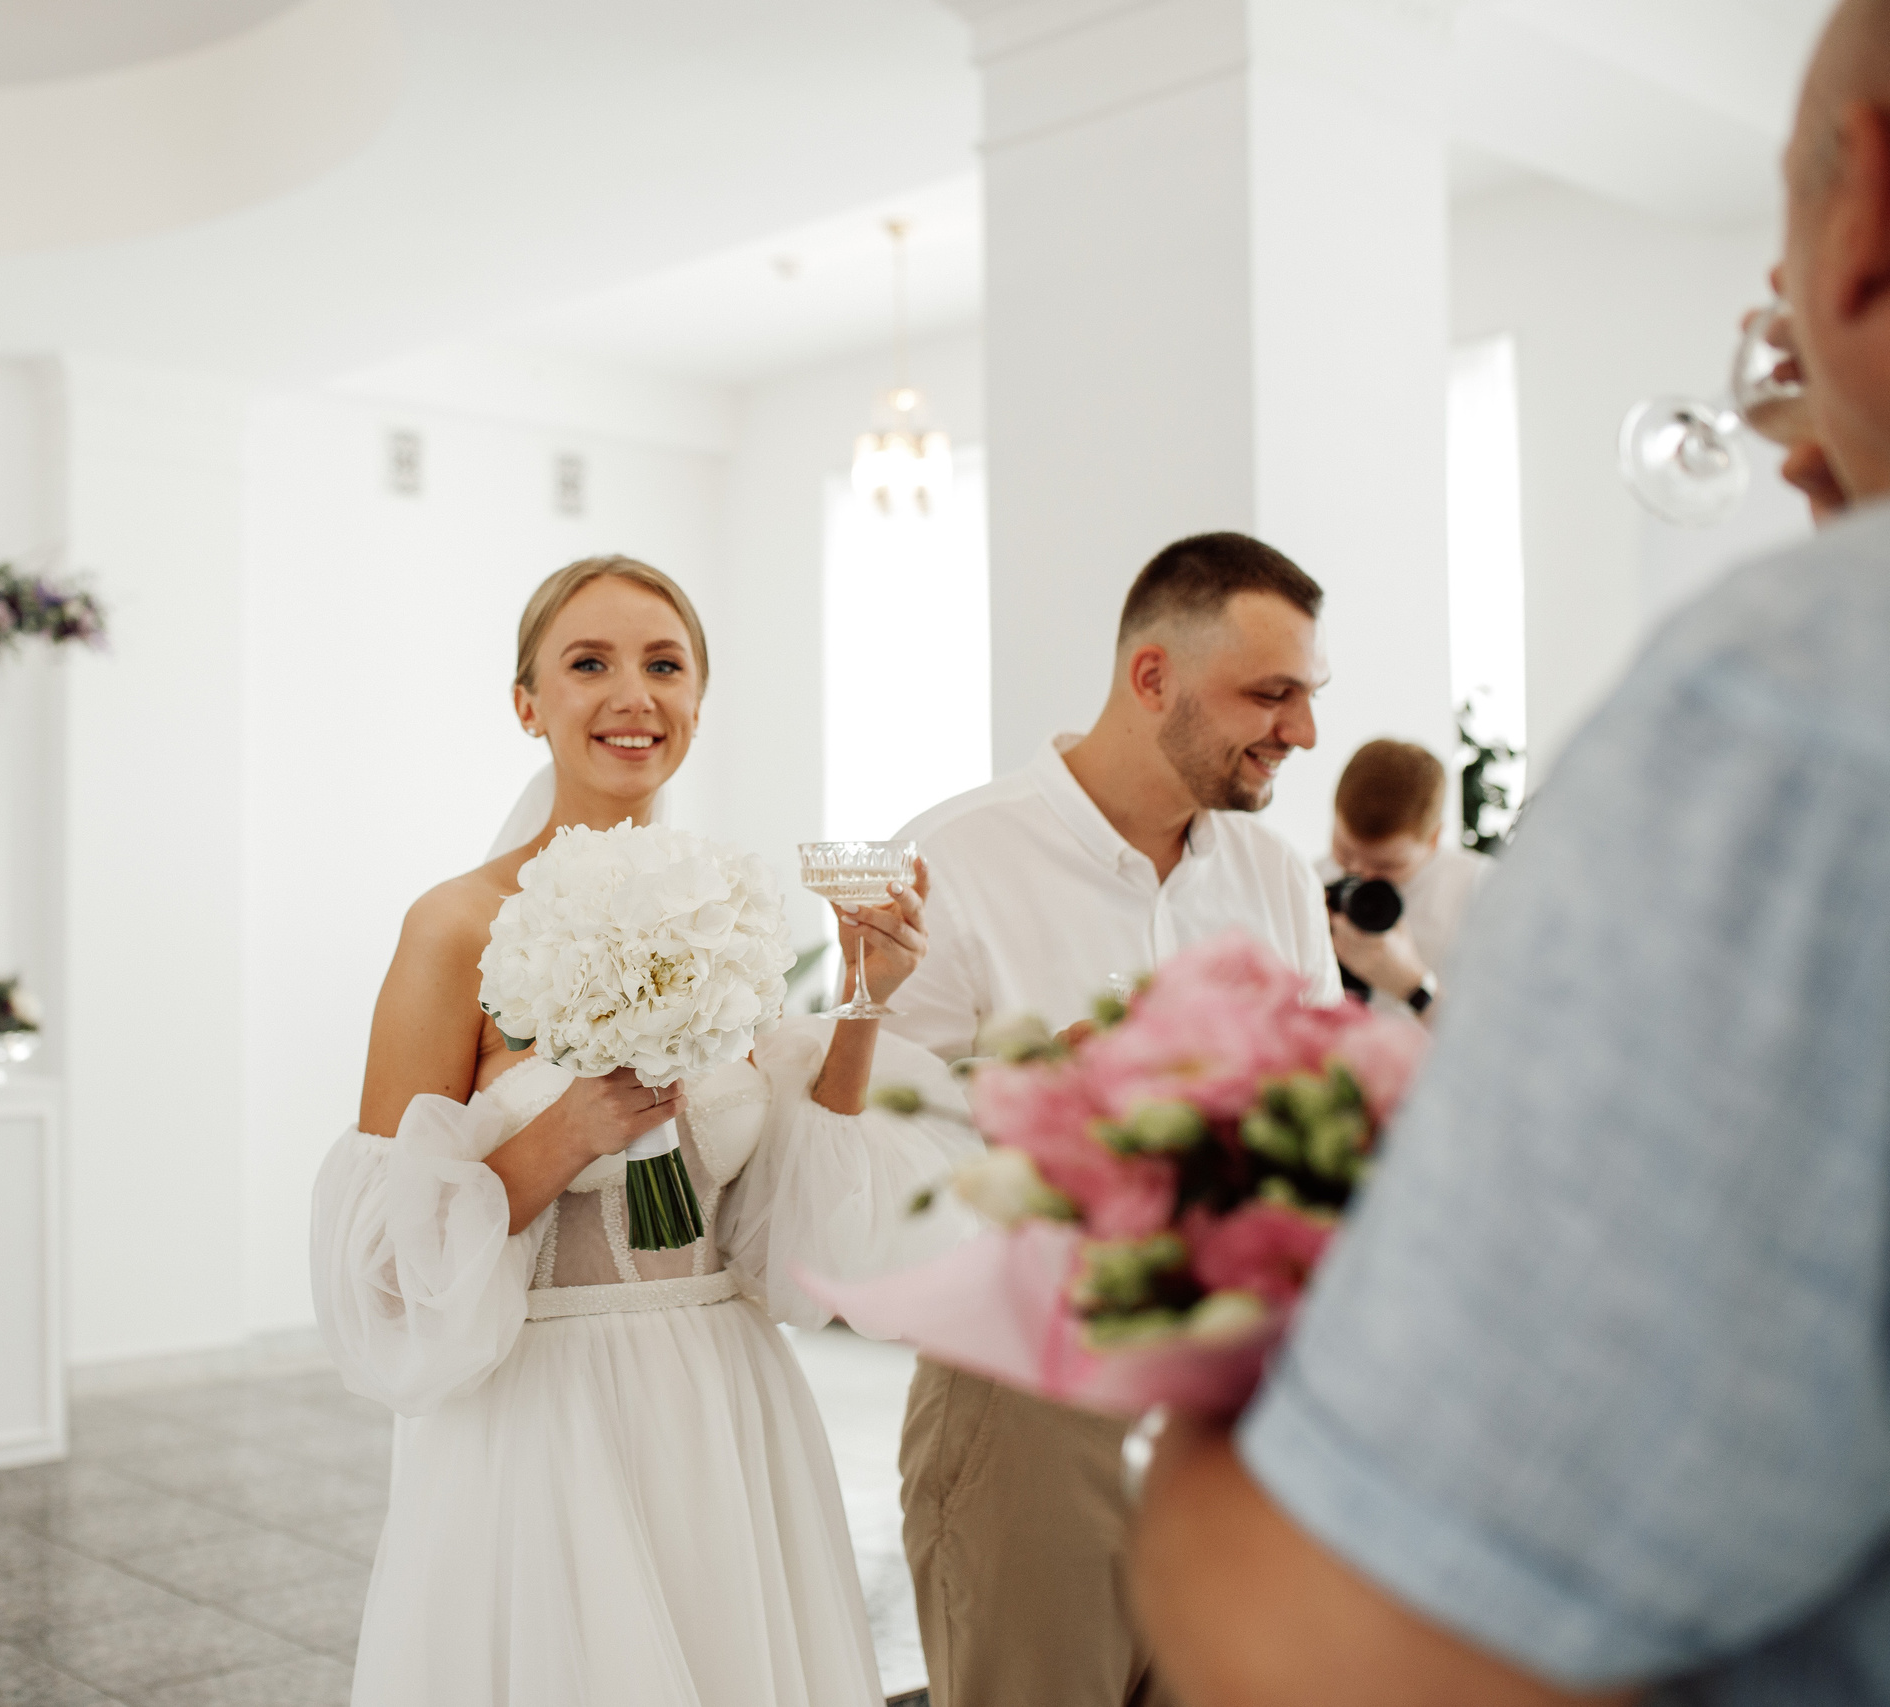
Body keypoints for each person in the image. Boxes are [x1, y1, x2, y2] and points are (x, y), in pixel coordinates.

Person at [1127, 6, 1890, 1702]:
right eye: (1274, 697)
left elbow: (1359, 1650)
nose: (1304, 738)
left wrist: (1205, 1433)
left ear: (1864, 224)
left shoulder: (1796, 700)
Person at [313, 555, 985, 1707]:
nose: (634, 695)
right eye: (589, 665)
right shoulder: (454, 926)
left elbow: (785, 1223)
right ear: (527, 704)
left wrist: (863, 998)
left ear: (698, 701)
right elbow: (380, 1258)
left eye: (664, 665)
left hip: (722, 1403)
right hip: (544, 1414)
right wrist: (559, 1134)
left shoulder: (730, 910)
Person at [885, 531, 1341, 1707]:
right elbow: (861, 1143)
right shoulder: (950, 862)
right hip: (1031, 1407)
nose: (1301, 732)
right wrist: (1034, 1102)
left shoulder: (1278, 875)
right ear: (1152, 677)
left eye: (1307, 696)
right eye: (1269, 694)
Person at [1316, 738, 1492, 1019]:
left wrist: (1412, 985)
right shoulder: (1308, 882)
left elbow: (1502, 1038)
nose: (1360, 874)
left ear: (1434, 838)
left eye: (1386, 865)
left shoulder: (1484, 890)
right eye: (1345, 853)